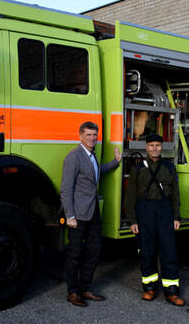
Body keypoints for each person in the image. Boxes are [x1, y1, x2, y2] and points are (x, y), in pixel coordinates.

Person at [60, 121, 122, 307]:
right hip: (77, 214)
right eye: (89, 135)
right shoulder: (74, 156)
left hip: (93, 211)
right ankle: (72, 292)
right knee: (75, 253)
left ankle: (85, 288)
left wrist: (115, 162)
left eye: (95, 135)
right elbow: (66, 188)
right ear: (80, 136)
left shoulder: (91, 155)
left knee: (94, 250)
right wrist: (70, 215)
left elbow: (97, 172)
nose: (93, 138)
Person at [124, 134, 185, 306]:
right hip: (145, 211)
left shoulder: (169, 167)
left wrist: (176, 216)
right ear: (146, 147)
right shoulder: (137, 168)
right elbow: (130, 196)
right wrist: (132, 220)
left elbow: (175, 194)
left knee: (169, 251)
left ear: (162, 147)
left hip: (165, 211)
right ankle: (149, 289)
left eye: (157, 145)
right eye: (151, 145)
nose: (154, 148)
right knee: (147, 251)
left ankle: (172, 292)